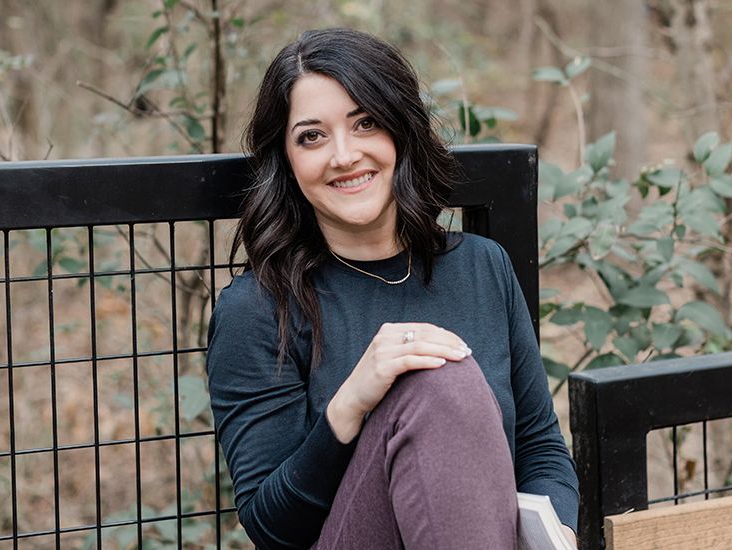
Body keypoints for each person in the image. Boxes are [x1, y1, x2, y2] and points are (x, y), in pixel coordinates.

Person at [206, 28, 579, 549]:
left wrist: (558, 534)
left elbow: (540, 449)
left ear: (401, 129)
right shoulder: (259, 308)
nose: (344, 155)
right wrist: (351, 405)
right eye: (312, 137)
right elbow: (272, 531)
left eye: (366, 123)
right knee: (437, 383)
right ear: (286, 161)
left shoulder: (482, 267)